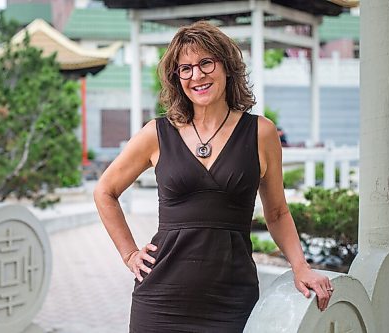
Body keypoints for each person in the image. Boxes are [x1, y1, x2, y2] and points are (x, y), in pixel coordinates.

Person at [93, 21, 333, 333]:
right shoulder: (157, 133)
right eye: (186, 68)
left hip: (230, 299)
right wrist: (129, 254)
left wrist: (300, 267)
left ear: (227, 67)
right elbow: (105, 191)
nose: (197, 75)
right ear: (177, 78)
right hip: (160, 299)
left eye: (206, 62)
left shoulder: (261, 133)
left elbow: (276, 212)